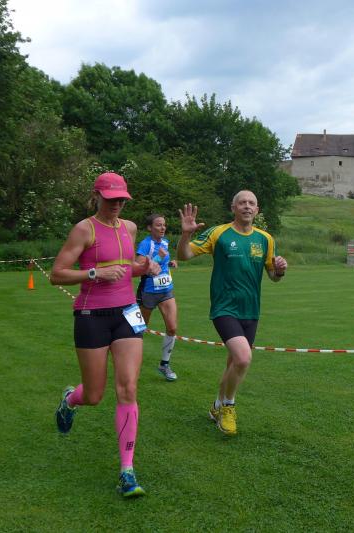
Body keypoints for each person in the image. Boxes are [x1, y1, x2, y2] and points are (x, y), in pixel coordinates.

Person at [50, 172, 160, 498]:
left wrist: (144, 268)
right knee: (94, 395)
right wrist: (95, 273)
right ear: (97, 196)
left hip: (127, 314)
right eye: (111, 199)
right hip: (91, 316)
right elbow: (57, 274)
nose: (117, 205)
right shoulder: (84, 229)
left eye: (121, 199)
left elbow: (125, 270)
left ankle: (127, 471)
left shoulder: (130, 228)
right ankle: (71, 400)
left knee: (128, 388)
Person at [177, 190, 287, 436]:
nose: (247, 206)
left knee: (233, 363)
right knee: (243, 358)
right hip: (224, 308)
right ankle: (228, 406)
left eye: (251, 203)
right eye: (242, 202)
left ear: (257, 210)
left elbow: (273, 276)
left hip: (251, 310)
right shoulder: (219, 234)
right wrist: (185, 235)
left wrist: (280, 270)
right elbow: (184, 255)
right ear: (233, 207)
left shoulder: (265, 239)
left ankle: (216, 406)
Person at [136, 213, 179, 381]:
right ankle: (130, 360)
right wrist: (158, 257)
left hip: (166, 290)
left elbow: (162, 263)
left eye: (164, 225)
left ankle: (164, 364)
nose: (163, 228)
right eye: (159, 225)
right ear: (150, 228)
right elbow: (139, 267)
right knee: (139, 329)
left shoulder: (165, 242)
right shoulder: (145, 244)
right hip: (148, 291)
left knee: (172, 328)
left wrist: (170, 262)